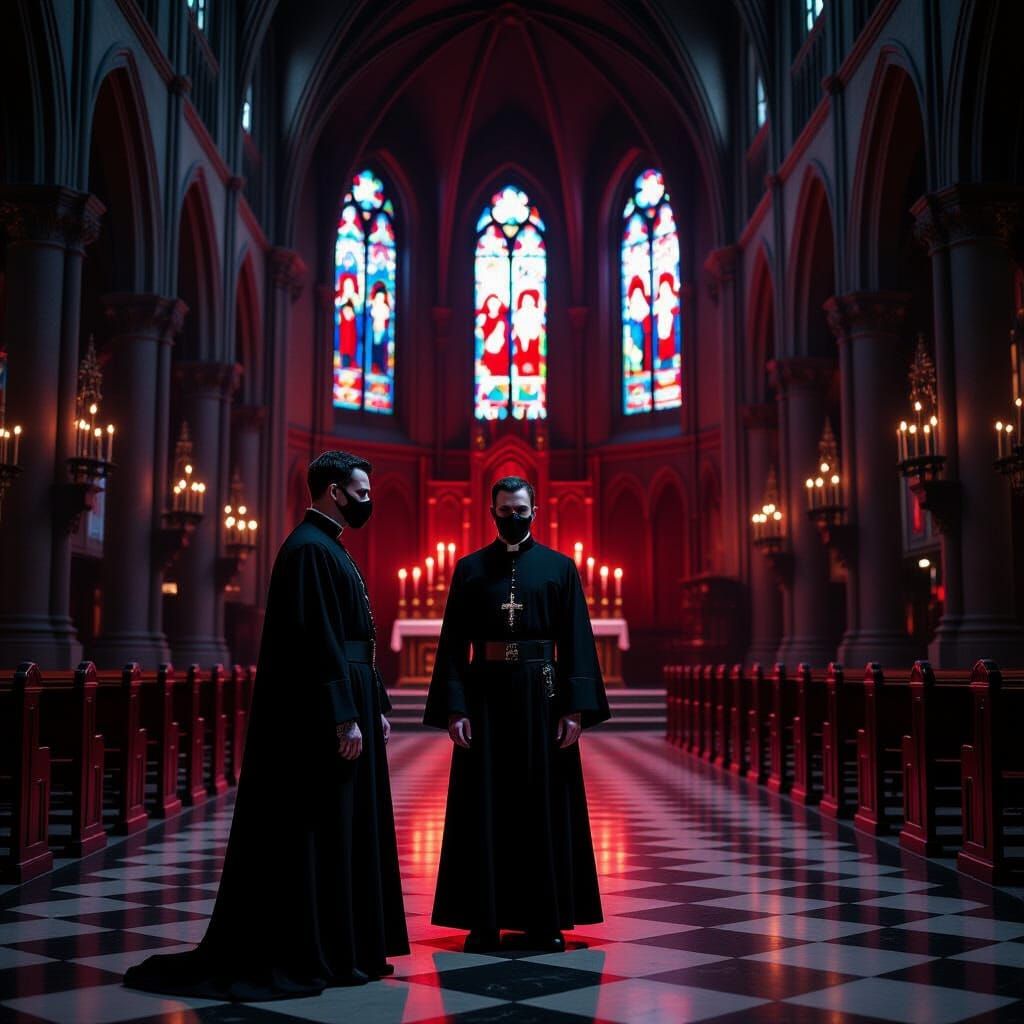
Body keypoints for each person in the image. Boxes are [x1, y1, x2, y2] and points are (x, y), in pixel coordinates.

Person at [124, 451, 408, 1001]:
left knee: (346, 829)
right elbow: (319, 643)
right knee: (323, 829)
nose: (369, 501)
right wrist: (343, 715)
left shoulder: (327, 548)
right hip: (326, 717)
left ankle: (342, 947)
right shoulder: (308, 551)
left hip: (350, 699)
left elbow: (356, 643)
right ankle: (317, 950)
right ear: (332, 491)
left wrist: (371, 704)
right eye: (362, 492)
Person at [423, 476, 610, 953]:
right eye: (504, 510)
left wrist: (575, 709)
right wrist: (455, 707)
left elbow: (577, 642)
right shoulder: (468, 570)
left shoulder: (559, 568)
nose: (513, 517)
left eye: (521, 509)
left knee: (540, 805)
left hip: (542, 697)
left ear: (536, 509)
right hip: (484, 695)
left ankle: (543, 919)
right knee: (482, 806)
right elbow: (450, 646)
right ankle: (482, 920)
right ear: (491, 511)